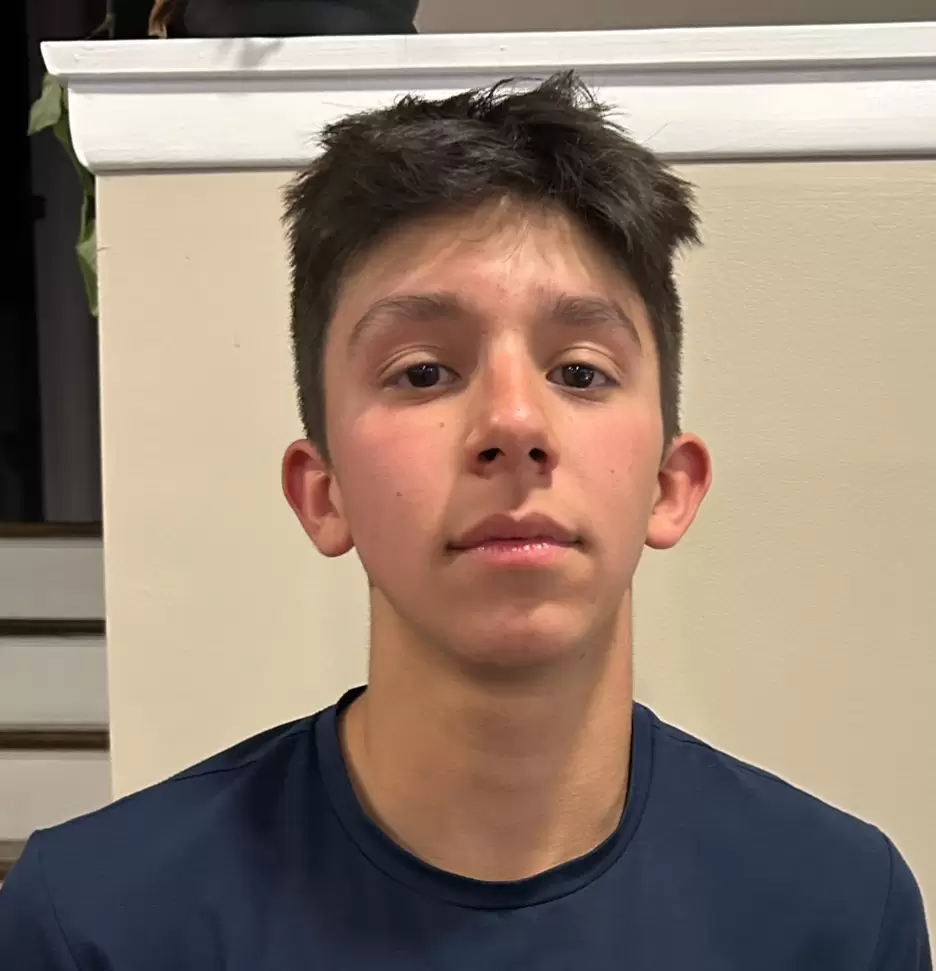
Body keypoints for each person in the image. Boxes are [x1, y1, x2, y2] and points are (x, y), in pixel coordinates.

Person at [0, 71, 930, 969]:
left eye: (580, 371)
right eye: (423, 372)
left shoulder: (838, 913)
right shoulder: (95, 924)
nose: (515, 423)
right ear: (323, 492)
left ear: (668, 484)